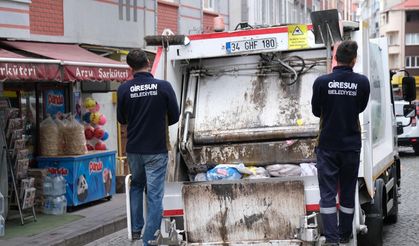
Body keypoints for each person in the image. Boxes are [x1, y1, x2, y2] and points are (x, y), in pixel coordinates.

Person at [117, 49, 180, 245]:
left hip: (134, 149)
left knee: (136, 185)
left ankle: (136, 230)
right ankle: (147, 239)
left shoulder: (124, 89)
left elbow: (121, 119)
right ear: (147, 61)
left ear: (130, 67)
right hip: (156, 150)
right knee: (154, 196)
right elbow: (175, 116)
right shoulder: (163, 86)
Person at [311, 40, 370, 245]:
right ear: (354, 60)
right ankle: (345, 235)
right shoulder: (362, 82)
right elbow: (360, 108)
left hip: (327, 147)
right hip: (351, 147)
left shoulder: (321, 82)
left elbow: (316, 111)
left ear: (335, 58)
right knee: (346, 193)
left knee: (327, 195)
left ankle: (332, 239)